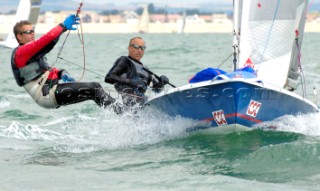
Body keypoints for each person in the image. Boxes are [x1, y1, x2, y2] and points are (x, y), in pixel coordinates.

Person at [11, 14, 119, 111]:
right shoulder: (20, 53)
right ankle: (126, 114)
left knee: (94, 91)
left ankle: (124, 115)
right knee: (94, 88)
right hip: (46, 95)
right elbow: (47, 40)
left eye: (33, 30)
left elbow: (46, 70)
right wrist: (63, 26)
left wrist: (62, 73)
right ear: (19, 36)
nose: (32, 33)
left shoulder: (30, 53)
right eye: (28, 32)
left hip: (50, 92)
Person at [105, 37, 169, 106]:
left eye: (142, 48)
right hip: (129, 110)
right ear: (129, 48)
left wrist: (162, 83)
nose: (139, 50)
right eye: (136, 47)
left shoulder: (145, 69)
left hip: (143, 105)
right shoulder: (124, 60)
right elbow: (109, 77)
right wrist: (130, 82)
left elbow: (157, 90)